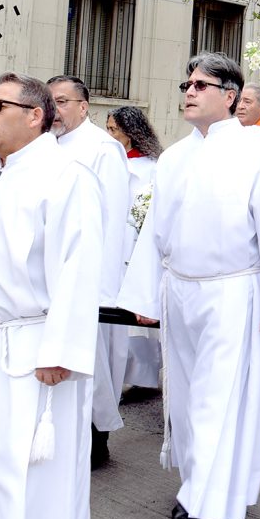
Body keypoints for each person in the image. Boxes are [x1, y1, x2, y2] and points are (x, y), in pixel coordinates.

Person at [117, 52, 260, 519]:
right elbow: (157, 232)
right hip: (181, 292)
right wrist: (143, 297)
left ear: (230, 95)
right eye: (187, 82)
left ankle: (195, 518)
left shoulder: (258, 153)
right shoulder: (174, 158)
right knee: (186, 399)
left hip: (232, 294)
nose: (190, 91)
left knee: (219, 401)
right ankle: (199, 486)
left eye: (202, 84)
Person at [0, 73, 102, 519]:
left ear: (34, 114)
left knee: (31, 473)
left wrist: (58, 349)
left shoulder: (65, 176)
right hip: (3, 336)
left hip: (39, 347)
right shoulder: (5, 173)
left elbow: (78, 266)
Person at [48, 75, 130, 468]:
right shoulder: (45, 145)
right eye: (50, 102)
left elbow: (113, 219)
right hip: (56, 271)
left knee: (94, 361)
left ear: (84, 107)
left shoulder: (102, 148)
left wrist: (102, 287)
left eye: (63, 102)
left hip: (93, 275)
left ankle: (97, 440)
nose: (56, 110)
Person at [107, 106, 164, 391]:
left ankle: (140, 373)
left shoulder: (150, 166)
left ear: (131, 133)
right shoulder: (109, 160)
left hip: (135, 239)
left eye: (114, 130)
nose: (110, 135)